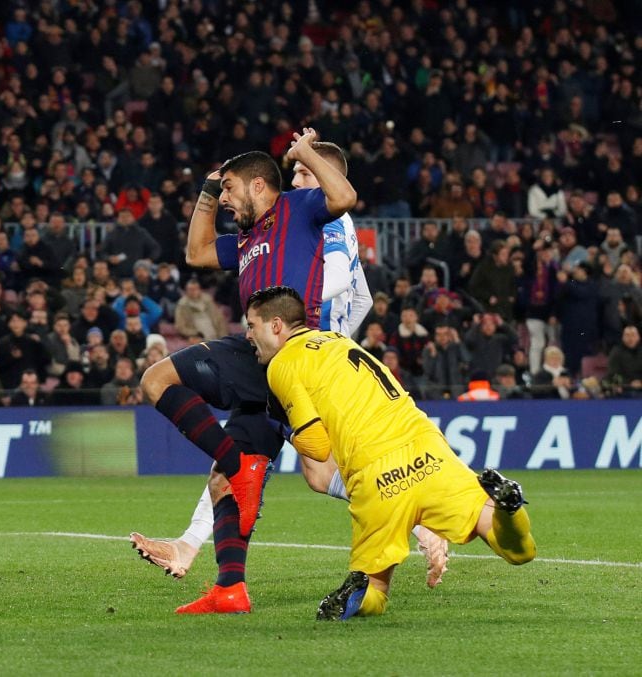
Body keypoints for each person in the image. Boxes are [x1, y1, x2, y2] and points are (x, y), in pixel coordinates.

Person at [130, 134, 357, 615]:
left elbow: (345, 198)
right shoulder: (248, 239)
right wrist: (208, 194)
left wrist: (303, 155)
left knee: (157, 381)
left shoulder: (300, 208)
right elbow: (196, 253)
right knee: (239, 482)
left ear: (259, 185)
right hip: (259, 354)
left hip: (289, 351)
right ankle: (230, 589)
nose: (227, 202)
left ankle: (238, 464)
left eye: (231, 190)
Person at [246, 285, 535, 620]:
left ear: (276, 325)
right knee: (518, 551)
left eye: (251, 325)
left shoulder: (282, 365)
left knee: (375, 593)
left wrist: (291, 434)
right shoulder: (340, 340)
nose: (248, 334)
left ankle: (350, 598)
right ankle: (509, 508)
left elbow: (317, 445)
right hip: (428, 449)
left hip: (377, 474)